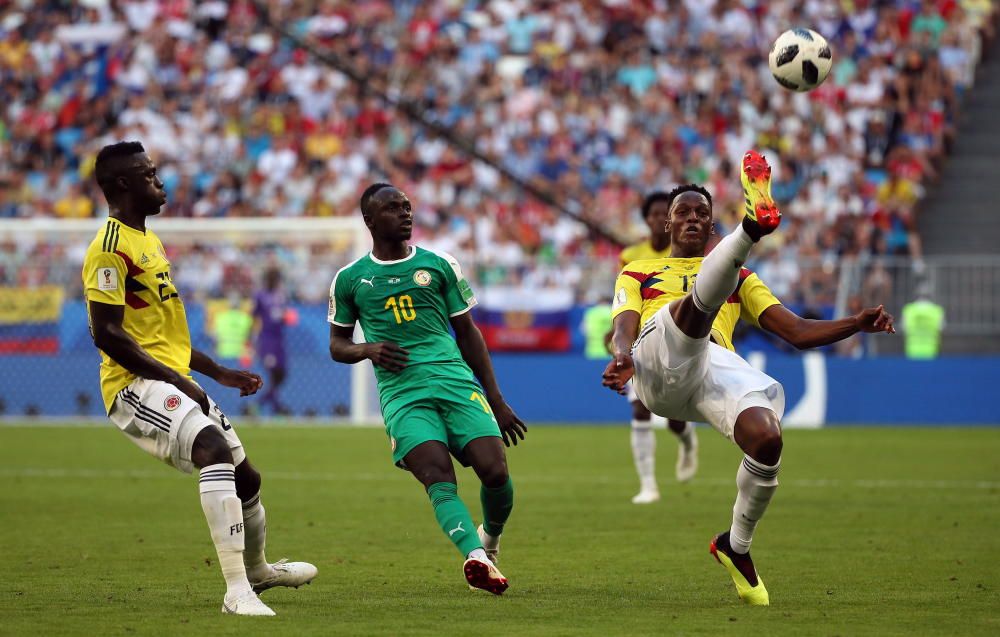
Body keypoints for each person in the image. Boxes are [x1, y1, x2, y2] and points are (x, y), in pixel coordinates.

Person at [602, 151, 895, 606]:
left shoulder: (742, 278)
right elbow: (623, 327)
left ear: (712, 226)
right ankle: (753, 228)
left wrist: (855, 323)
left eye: (702, 213)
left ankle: (735, 547)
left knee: (766, 438)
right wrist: (622, 355)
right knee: (688, 315)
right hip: (655, 361)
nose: (693, 218)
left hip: (713, 366)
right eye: (683, 212)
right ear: (668, 226)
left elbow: (796, 331)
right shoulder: (637, 271)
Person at [82, 141, 316, 616]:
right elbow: (108, 335)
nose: (160, 182)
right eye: (149, 175)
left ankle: (257, 571)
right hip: (133, 386)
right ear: (124, 185)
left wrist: (220, 373)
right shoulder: (109, 250)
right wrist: (178, 379)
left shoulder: (150, 241)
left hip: (172, 377)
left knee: (247, 478)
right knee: (212, 450)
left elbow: (167, 335)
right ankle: (235, 591)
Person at [328, 183, 527, 595]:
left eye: (407, 206)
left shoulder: (439, 265)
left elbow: (469, 334)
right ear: (369, 220)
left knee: (495, 472)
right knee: (438, 476)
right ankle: (474, 557)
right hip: (403, 395)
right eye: (392, 208)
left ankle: (489, 539)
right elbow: (337, 345)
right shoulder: (350, 279)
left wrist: (497, 399)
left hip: (455, 383)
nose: (405, 213)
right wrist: (367, 348)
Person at [616, 191, 698, 505]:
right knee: (640, 408)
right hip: (642, 340)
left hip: (680, 339)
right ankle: (648, 484)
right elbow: (624, 297)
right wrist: (617, 333)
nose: (659, 220)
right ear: (647, 218)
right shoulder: (632, 254)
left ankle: (687, 440)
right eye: (653, 214)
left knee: (676, 418)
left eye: (665, 214)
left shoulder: (686, 253)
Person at [252, 268, 291, 415]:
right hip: (267, 340)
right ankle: (271, 407)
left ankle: (266, 405)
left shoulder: (281, 296)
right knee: (274, 374)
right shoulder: (260, 296)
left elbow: (284, 315)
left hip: (279, 340)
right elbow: (254, 315)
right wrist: (251, 338)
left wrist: (286, 318)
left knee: (282, 374)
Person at [901, 284, 945, 359]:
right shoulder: (937, 311)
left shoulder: (908, 310)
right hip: (932, 352)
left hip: (912, 351)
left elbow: (904, 329)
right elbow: (941, 330)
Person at [213, 293, 253, 362]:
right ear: (240, 303)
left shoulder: (220, 318)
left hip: (223, 353)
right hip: (240, 355)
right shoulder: (246, 318)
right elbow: (250, 338)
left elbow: (214, 337)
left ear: (228, 303)